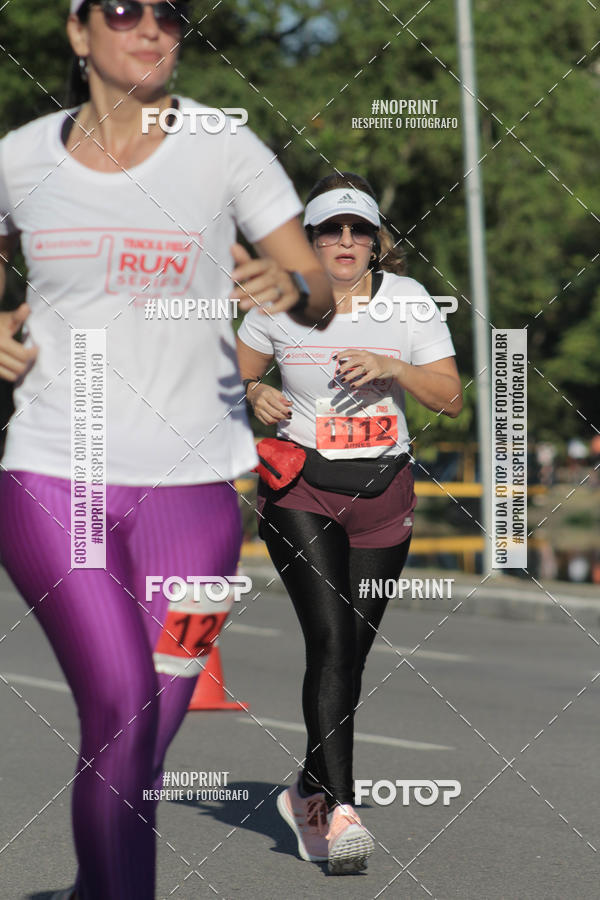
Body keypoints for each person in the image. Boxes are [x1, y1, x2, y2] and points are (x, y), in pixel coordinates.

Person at [0, 2, 334, 898]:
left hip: (194, 495)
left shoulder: (226, 149)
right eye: (122, 10)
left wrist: (288, 286)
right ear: (78, 34)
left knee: (148, 732)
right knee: (117, 709)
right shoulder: (19, 159)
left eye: (169, 14)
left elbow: (314, 290)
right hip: (55, 472)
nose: (150, 28)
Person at [236, 172, 462, 874]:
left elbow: (450, 397)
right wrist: (255, 391)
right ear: (309, 240)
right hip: (302, 490)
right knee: (331, 643)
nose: (344, 241)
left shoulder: (408, 301)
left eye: (358, 230)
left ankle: (306, 788)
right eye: (330, 229)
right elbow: (227, 378)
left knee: (351, 660)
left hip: (382, 493)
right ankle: (341, 813)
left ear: (376, 242)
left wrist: (393, 364)